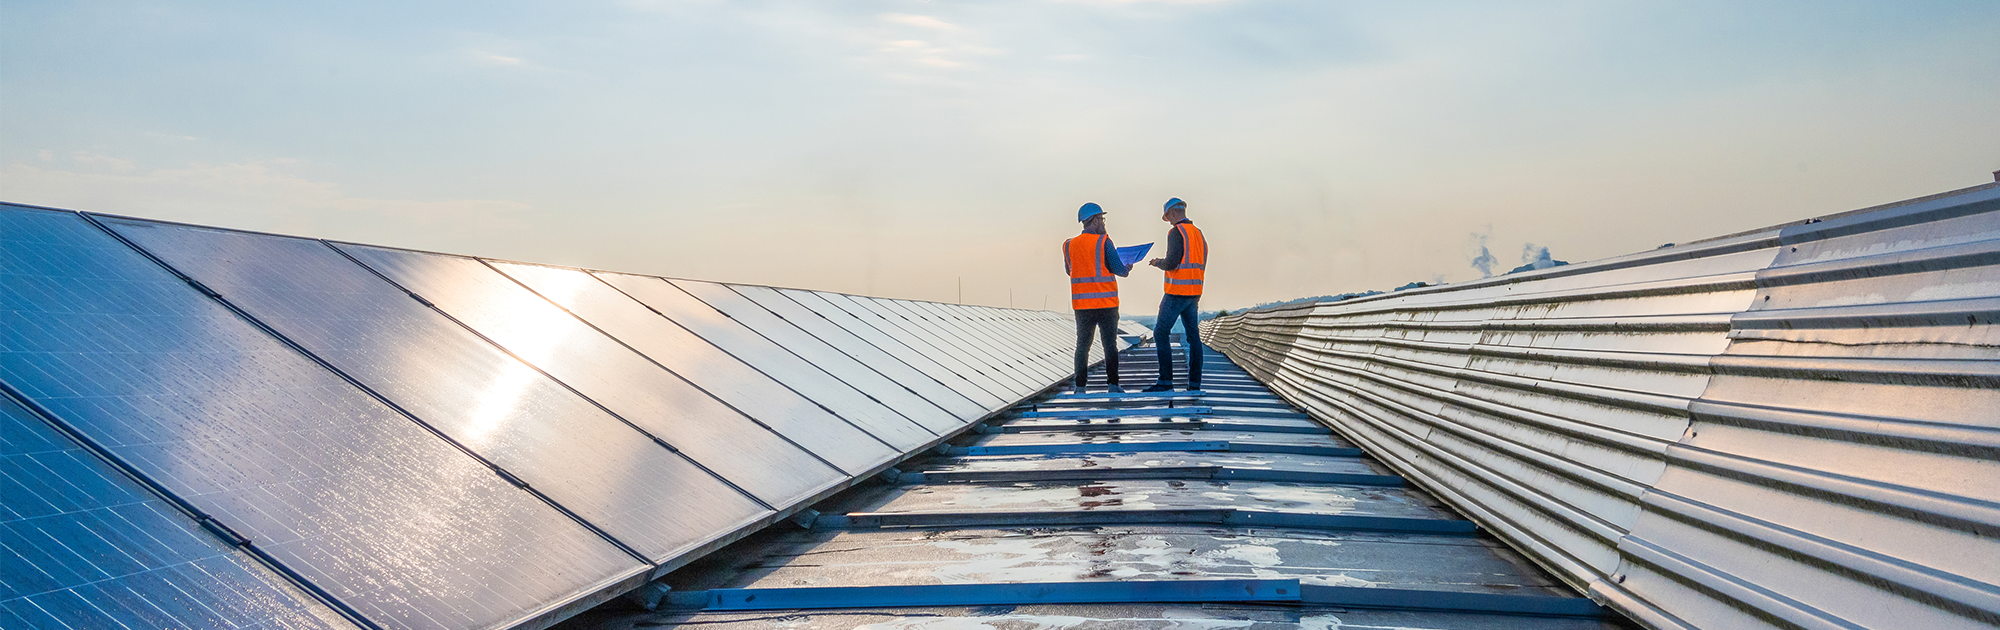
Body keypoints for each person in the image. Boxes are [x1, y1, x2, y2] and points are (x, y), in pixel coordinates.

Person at [1064, 202, 1133, 393]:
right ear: (1094, 220)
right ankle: (1112, 385)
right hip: (1106, 304)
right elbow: (1120, 270)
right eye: (1101, 219)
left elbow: (1069, 271)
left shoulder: (1069, 245)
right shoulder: (1104, 242)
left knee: (1082, 346)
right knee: (1110, 344)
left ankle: (1080, 387)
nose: (1103, 222)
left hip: (1082, 305)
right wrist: (1127, 267)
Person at [1144, 197, 1207, 392]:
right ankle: (1194, 384)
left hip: (1177, 291)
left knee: (1160, 333)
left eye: (1168, 217)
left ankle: (1165, 382)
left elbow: (1172, 262)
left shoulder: (1176, 232)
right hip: (1194, 292)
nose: (1169, 221)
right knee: (1193, 337)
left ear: (1171, 213)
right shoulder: (1198, 233)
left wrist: (1157, 263)